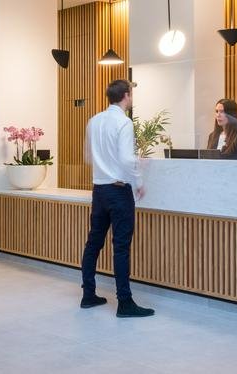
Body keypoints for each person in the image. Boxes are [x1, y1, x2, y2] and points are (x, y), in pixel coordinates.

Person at [80, 79, 154, 318]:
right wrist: (139, 179)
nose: (132, 98)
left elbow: (88, 156)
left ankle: (88, 295)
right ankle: (124, 303)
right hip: (119, 191)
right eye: (131, 94)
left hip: (99, 190)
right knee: (121, 247)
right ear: (125, 95)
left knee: (93, 243)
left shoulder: (94, 120)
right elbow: (125, 159)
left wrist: (106, 165)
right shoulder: (124, 122)